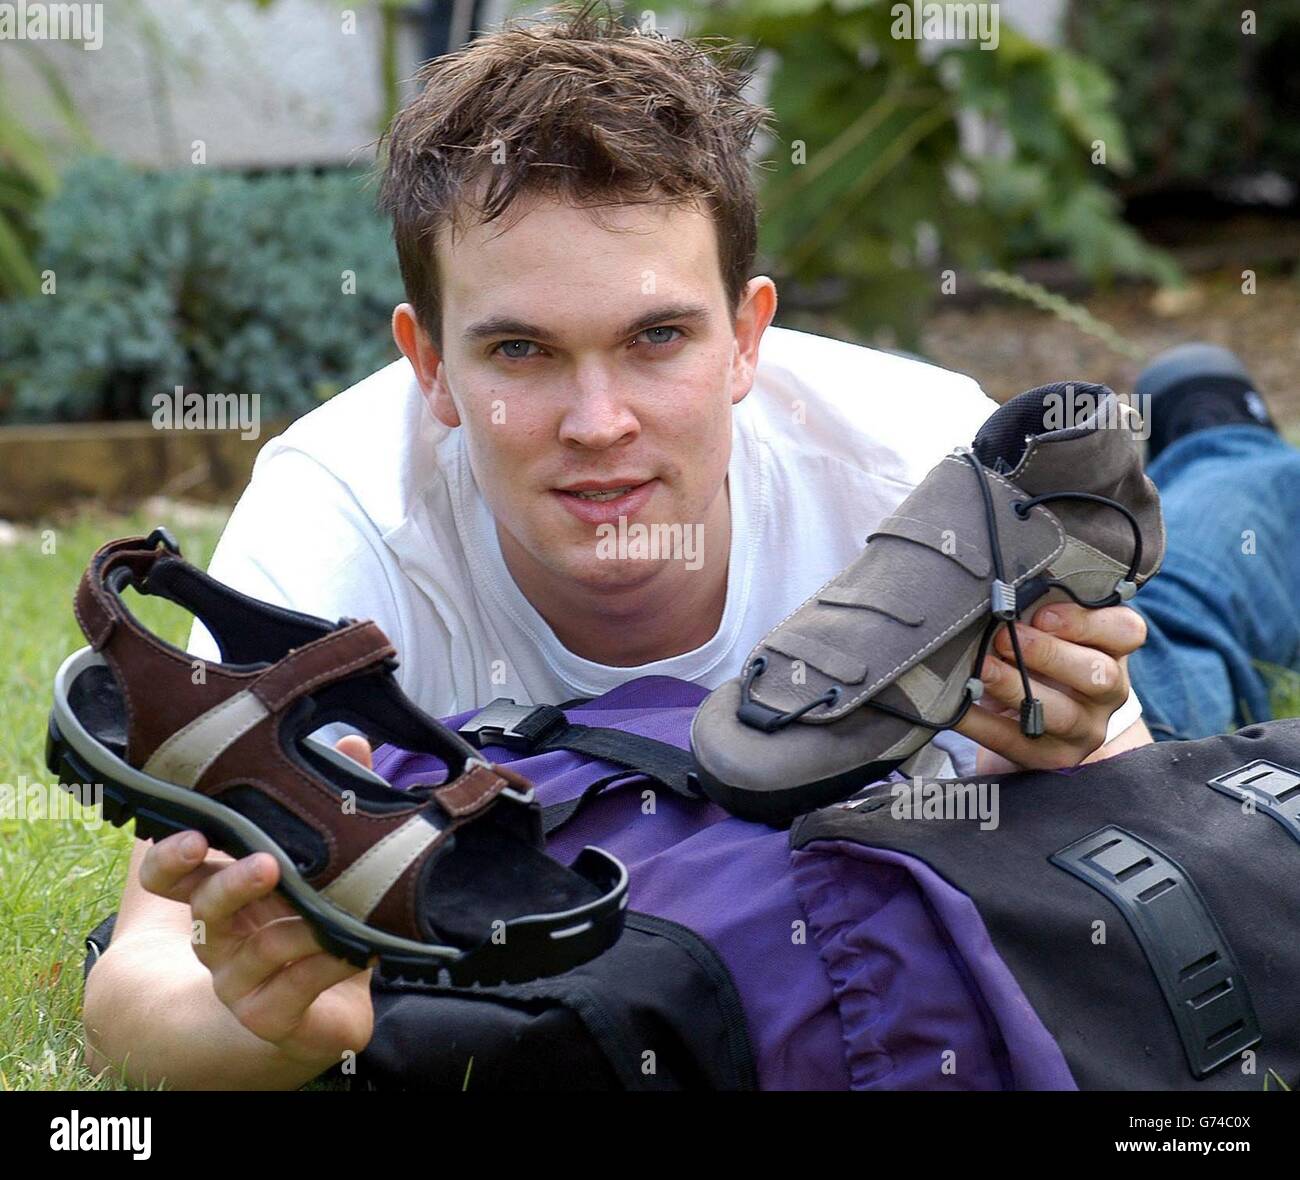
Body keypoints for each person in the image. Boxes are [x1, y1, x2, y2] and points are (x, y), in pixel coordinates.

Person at [79, 6, 1299, 1089]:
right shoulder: (332, 525)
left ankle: (1227, 442)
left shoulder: (915, 465)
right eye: (520, 352)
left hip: (953, 778)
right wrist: (274, 1032)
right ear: (427, 366)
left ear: (746, 337)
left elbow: (1127, 834)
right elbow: (138, 977)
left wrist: (1075, 745)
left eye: (657, 337)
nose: (597, 424)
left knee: (1199, 608)